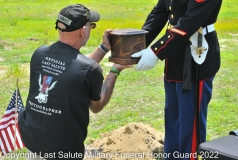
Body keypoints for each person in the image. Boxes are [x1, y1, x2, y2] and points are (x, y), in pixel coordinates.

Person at [18, 4, 130, 160]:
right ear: (83, 30)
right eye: (92, 25)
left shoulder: (39, 53)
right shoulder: (89, 69)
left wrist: (104, 48)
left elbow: (75, 70)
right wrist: (114, 71)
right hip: (64, 151)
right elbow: (96, 106)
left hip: (35, 143)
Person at [131, 0, 222, 160]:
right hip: (174, 57)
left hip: (195, 60)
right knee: (173, 121)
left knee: (190, 125)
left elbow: (190, 22)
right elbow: (159, 13)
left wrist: (155, 51)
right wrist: (135, 45)